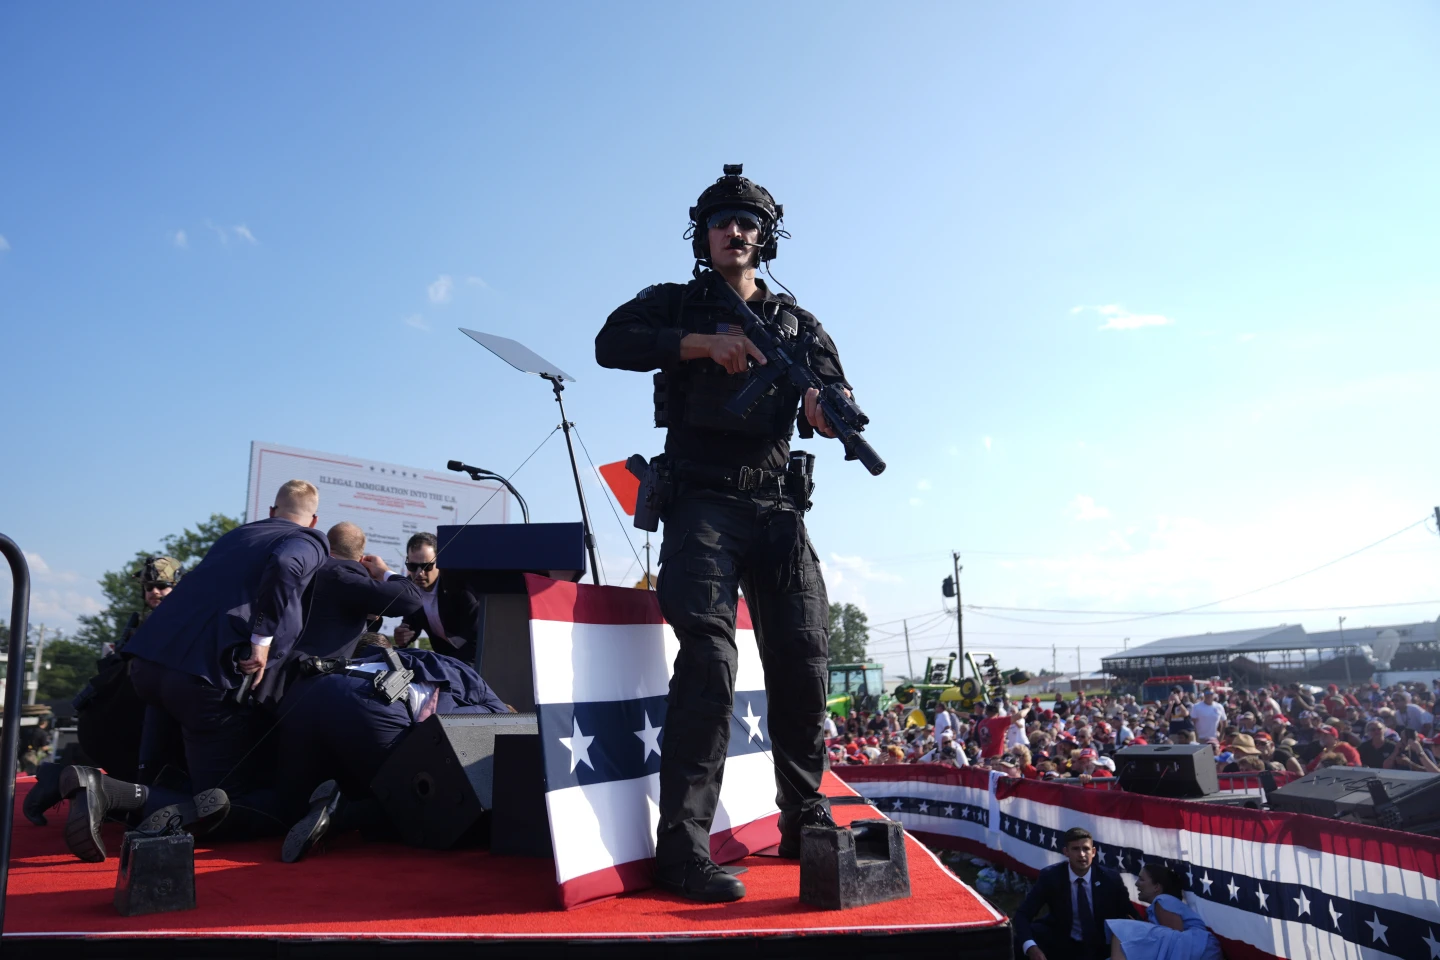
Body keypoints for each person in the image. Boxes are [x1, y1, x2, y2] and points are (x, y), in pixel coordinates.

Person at [595, 164, 854, 903]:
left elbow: (835, 392)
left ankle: (806, 819)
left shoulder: (800, 325)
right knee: (709, 661)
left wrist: (823, 406)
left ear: (765, 238)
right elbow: (611, 343)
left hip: (778, 510)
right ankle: (682, 851)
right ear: (702, 235)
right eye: (721, 222)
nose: (734, 232)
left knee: (804, 660)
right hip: (702, 503)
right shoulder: (675, 303)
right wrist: (703, 346)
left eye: (747, 223)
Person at [107, 480, 329, 856]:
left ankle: (119, 796)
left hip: (150, 664)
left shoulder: (238, 535)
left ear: (272, 512)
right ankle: (103, 794)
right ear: (313, 520)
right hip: (201, 678)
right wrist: (262, 640)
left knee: (165, 758)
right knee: (221, 805)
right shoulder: (310, 541)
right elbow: (286, 563)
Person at [271, 639, 510, 862]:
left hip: (305, 694)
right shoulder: (490, 702)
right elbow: (445, 729)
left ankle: (236, 812)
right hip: (370, 706)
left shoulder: (390, 658)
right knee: (415, 804)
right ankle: (341, 813)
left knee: (285, 806)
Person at [24, 557, 186, 827]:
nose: (154, 592)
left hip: (123, 718)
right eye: (149, 587)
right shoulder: (162, 623)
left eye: (162, 586)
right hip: (125, 720)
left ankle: (65, 782)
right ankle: (63, 782)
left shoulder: (158, 621)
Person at [261, 521, 424, 701]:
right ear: (361, 558)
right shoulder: (342, 576)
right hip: (306, 690)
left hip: (265, 679)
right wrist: (385, 572)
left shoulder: (302, 567)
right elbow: (411, 598)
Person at [1014, 827, 1141, 960]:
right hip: (1062, 943)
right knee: (1021, 942)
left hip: (1101, 946)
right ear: (1066, 852)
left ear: (1093, 852)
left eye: (1086, 849)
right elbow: (1022, 914)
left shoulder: (1110, 879)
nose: (1081, 854)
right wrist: (1031, 948)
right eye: (1075, 849)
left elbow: (1129, 914)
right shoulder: (1051, 876)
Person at [393, 531, 482, 664]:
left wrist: (456, 666)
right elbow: (411, 622)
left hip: (476, 657)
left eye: (426, 566)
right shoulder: (409, 587)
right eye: (412, 566)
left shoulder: (460, 588)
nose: (419, 573)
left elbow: (479, 635)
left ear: (439, 563)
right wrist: (403, 635)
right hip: (444, 657)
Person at [1105, 862, 1222, 960]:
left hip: (1199, 948)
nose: (1136, 883)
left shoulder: (1163, 900)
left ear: (1157, 887)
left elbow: (1176, 941)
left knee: (1121, 929)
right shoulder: (1160, 904)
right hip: (1199, 949)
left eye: (1141, 879)